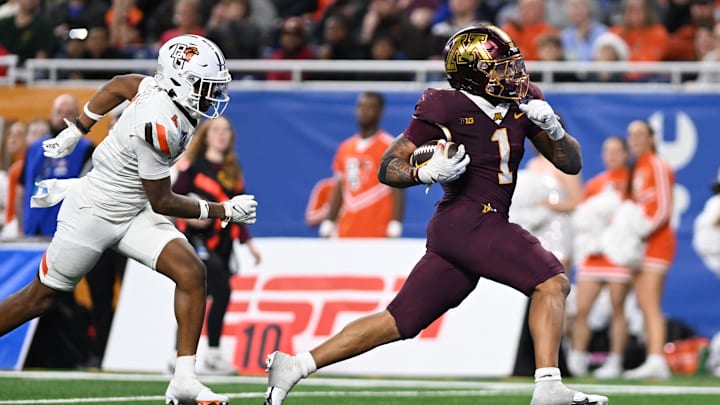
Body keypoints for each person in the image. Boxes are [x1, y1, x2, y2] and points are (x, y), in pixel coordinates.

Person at [264, 23, 608, 405]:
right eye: (499, 67)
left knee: (400, 321)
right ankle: (548, 387)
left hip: (468, 228)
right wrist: (421, 173)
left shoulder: (526, 101)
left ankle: (295, 365)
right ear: (471, 73)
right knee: (552, 281)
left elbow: (571, 165)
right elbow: (388, 166)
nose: (512, 75)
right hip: (469, 220)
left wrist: (554, 130)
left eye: (511, 65)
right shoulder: (443, 104)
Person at [0, 34, 257, 405]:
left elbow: (121, 84)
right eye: (203, 86)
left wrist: (78, 129)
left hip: (135, 210)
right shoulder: (160, 123)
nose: (209, 96)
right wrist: (222, 210)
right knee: (39, 299)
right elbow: (163, 199)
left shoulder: (159, 92)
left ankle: (184, 379)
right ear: (179, 82)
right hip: (96, 211)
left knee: (190, 272)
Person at [172, 116, 262, 374]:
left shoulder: (233, 170)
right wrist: (192, 213)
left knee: (203, 294)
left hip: (223, 244)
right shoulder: (194, 167)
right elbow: (172, 199)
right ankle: (202, 353)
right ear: (207, 135)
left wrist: (248, 244)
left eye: (226, 130)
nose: (221, 135)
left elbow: (239, 211)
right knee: (211, 291)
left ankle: (198, 354)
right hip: (198, 242)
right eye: (216, 130)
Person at [568, 136, 632, 379]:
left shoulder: (633, 181)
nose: (612, 156)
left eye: (617, 151)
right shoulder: (595, 184)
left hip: (617, 256)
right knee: (582, 309)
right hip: (593, 257)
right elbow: (583, 219)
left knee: (618, 309)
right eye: (608, 151)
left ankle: (615, 361)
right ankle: (577, 357)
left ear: (626, 154)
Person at [621, 120, 676, 380]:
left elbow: (663, 208)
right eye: (631, 135)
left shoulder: (657, 164)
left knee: (651, 303)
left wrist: (639, 233)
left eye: (640, 134)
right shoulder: (637, 167)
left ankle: (657, 359)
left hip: (656, 243)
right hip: (638, 244)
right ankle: (652, 356)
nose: (634, 139)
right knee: (643, 304)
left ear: (651, 138)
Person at [318, 92, 405, 238]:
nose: (364, 111)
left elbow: (398, 188)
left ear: (380, 111)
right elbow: (340, 186)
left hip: (377, 228)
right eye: (361, 106)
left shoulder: (390, 146)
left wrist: (395, 222)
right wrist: (329, 221)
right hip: (346, 228)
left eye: (370, 107)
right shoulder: (346, 147)